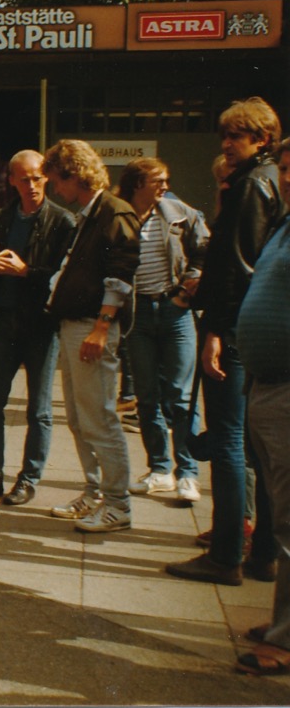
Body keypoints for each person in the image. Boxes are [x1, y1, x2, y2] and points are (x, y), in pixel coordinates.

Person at [168, 97, 284, 586]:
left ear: (261, 138)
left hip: (232, 330)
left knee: (229, 441)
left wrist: (214, 329)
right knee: (252, 448)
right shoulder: (268, 180)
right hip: (250, 327)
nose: (227, 144)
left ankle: (225, 553)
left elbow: (237, 266)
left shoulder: (251, 185)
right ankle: (259, 553)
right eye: (225, 135)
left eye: (237, 135)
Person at [0, 149, 75, 506]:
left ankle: (29, 477)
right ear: (11, 181)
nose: (33, 185)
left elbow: (63, 278)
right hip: (6, 320)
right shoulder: (5, 218)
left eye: (38, 177)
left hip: (41, 323)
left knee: (38, 409)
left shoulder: (62, 221)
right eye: (25, 178)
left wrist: (26, 272)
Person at [43, 139, 141, 533]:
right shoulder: (89, 212)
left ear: (73, 175)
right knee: (80, 418)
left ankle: (118, 503)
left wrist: (102, 327)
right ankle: (95, 492)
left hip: (90, 327)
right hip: (75, 325)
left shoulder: (114, 212)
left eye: (56, 182)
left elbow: (122, 273)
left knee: (98, 417)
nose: (54, 191)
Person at [115, 158, 209, 504]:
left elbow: (203, 246)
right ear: (138, 183)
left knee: (180, 396)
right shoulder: (120, 215)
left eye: (166, 180)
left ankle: (188, 473)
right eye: (158, 180)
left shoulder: (177, 211)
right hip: (137, 315)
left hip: (174, 311)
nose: (165, 186)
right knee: (148, 397)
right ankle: (159, 469)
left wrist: (188, 287)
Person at [233, 137, 290, 675]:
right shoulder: (284, 224)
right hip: (270, 384)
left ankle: (285, 640)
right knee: (283, 516)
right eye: (287, 169)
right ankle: (281, 623)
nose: (288, 178)